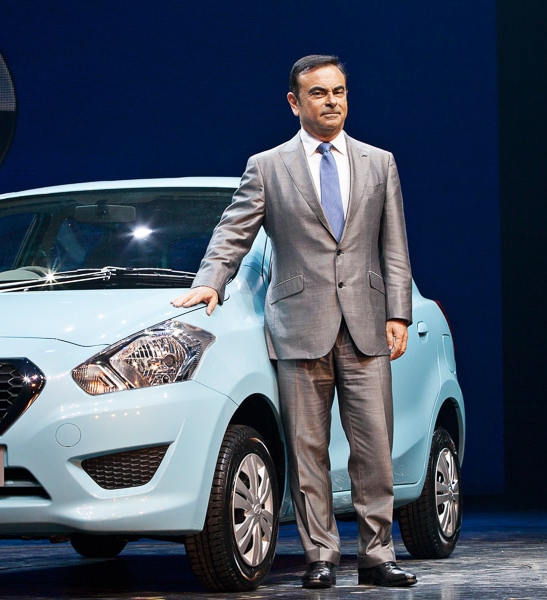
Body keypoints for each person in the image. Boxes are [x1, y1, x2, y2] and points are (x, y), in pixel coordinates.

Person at [171, 54, 417, 589]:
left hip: (366, 324)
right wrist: (211, 280)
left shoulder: (379, 162)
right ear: (294, 102)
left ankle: (377, 554)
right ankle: (321, 555)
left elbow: (394, 246)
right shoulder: (268, 166)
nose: (332, 101)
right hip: (299, 326)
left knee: (374, 446)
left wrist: (398, 312)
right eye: (319, 93)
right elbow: (233, 230)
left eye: (340, 91)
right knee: (308, 450)